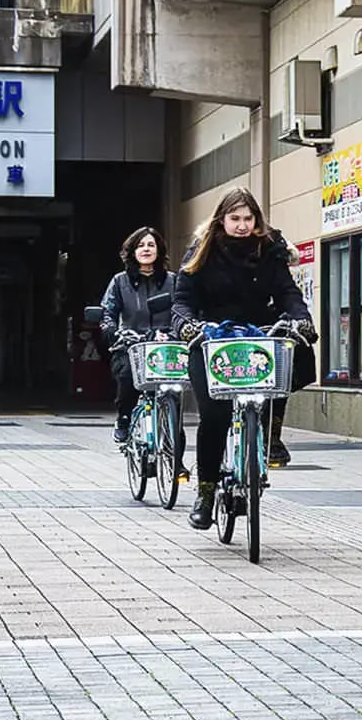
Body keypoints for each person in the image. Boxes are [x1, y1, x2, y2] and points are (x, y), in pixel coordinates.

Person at [172, 187, 315, 531]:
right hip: (211, 339)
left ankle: (269, 437)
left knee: (291, 356)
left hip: (257, 335)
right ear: (221, 220)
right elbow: (181, 300)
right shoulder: (202, 251)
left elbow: (287, 294)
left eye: (247, 218)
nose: (241, 225)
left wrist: (300, 320)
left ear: (256, 220)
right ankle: (205, 493)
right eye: (234, 218)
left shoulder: (269, 251)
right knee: (215, 413)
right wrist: (189, 327)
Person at [99, 228, 181, 463]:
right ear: (132, 251)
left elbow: (183, 310)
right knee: (126, 377)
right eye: (141, 245)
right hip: (131, 345)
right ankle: (124, 418)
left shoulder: (173, 281)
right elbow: (108, 313)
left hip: (166, 346)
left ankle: (177, 460)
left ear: (159, 250)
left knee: (173, 399)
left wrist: (176, 332)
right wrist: (112, 331)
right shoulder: (119, 281)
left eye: (151, 245)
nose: (146, 249)